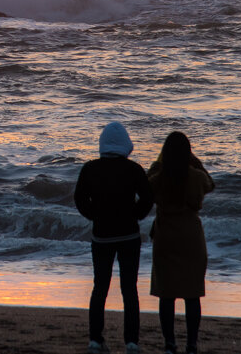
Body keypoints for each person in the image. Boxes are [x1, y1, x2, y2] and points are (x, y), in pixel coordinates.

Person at [74, 121, 154, 354]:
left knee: (100, 288)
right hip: (129, 235)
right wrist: (135, 216)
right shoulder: (134, 169)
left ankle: (95, 340)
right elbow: (148, 198)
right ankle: (131, 342)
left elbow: (80, 199)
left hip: (102, 236)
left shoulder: (90, 169)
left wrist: (95, 217)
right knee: (130, 290)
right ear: (125, 144)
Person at [147, 131, 215, 354]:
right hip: (191, 237)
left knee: (166, 294)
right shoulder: (195, 176)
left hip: (166, 235)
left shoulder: (159, 178)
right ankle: (192, 343)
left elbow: (145, 188)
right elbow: (211, 184)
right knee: (192, 293)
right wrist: (195, 161)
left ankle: (169, 343)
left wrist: (158, 163)